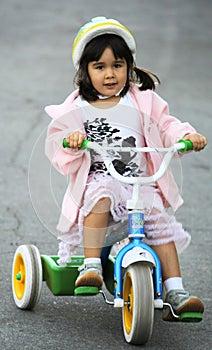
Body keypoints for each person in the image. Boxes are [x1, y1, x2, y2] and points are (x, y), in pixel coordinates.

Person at [45, 17, 207, 321]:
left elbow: (166, 125)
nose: (110, 74)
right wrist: (72, 139)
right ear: (85, 70)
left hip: (139, 182)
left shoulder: (142, 100)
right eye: (100, 67)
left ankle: (176, 290)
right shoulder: (77, 107)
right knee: (102, 196)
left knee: (159, 221)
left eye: (117, 65)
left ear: (129, 66)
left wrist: (185, 136)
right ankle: (91, 265)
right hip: (101, 178)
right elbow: (58, 139)